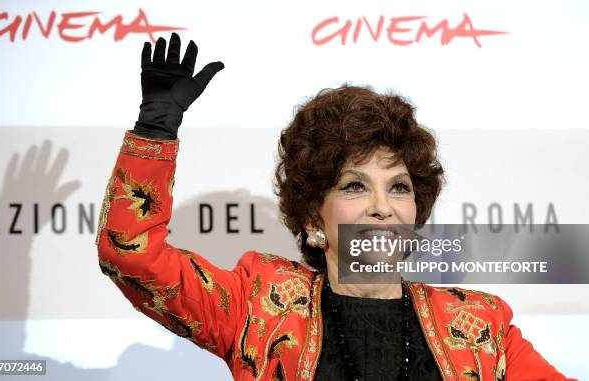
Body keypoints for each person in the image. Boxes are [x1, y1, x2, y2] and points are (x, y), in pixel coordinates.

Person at [96, 33, 576, 381]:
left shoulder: (480, 325)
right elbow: (130, 254)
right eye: (354, 187)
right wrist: (154, 131)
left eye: (400, 188)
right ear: (313, 219)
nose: (382, 207)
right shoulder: (258, 306)